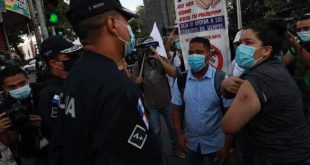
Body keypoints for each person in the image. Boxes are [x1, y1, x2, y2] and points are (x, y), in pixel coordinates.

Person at [57, 0, 162, 164]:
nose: (129, 29)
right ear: (112, 24)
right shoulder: (117, 88)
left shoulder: (73, 76)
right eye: (126, 22)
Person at [221, 21, 310, 164]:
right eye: (240, 43)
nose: (241, 48)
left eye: (248, 43)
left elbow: (228, 126)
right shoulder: (266, 67)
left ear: (266, 50)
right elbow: (230, 92)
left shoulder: (261, 77)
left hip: (279, 158)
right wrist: (224, 86)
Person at [171, 37, 233, 165]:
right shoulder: (181, 80)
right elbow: (176, 109)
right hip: (191, 143)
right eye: (191, 52)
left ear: (209, 56)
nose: (194, 56)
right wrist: (179, 135)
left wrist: (227, 147)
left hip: (217, 143)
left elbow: (230, 114)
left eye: (199, 52)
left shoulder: (221, 78)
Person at [36, 36, 82, 165]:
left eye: (75, 54)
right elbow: (61, 131)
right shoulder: (50, 95)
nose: (76, 59)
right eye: (68, 57)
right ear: (54, 63)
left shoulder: (75, 82)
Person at [138, 37, 182, 158]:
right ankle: (161, 155)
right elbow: (135, 81)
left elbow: (173, 73)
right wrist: (137, 81)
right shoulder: (140, 63)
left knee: (172, 128)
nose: (149, 51)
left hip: (166, 102)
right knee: (156, 132)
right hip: (151, 105)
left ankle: (175, 148)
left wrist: (159, 58)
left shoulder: (161, 59)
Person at [0, 66, 45, 165]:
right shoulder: (4, 108)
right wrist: (2, 131)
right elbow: (9, 142)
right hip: (26, 151)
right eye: (12, 87)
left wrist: (45, 122)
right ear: (4, 88)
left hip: (53, 143)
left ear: (28, 79)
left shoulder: (44, 91)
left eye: (22, 83)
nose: (18, 88)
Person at [283, 14, 310, 119]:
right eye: (299, 30)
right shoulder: (298, 42)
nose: (302, 32)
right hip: (302, 91)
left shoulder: (297, 44)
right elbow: (283, 63)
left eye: (306, 28)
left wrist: (297, 47)